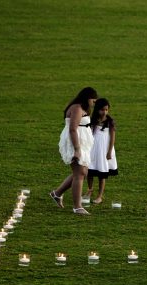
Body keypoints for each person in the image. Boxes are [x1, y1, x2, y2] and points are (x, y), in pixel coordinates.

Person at [49, 87, 98, 215]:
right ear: (87, 98)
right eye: (93, 100)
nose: (94, 102)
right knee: (79, 173)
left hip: (83, 143)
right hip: (74, 143)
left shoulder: (83, 108)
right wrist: (77, 149)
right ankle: (77, 207)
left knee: (82, 172)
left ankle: (57, 194)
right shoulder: (76, 108)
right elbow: (72, 129)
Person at [84, 98, 118, 204]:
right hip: (93, 149)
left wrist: (109, 152)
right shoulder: (92, 120)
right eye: (102, 110)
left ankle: (100, 195)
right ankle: (89, 190)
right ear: (97, 109)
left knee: (101, 172)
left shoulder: (110, 122)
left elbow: (112, 138)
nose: (104, 112)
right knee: (90, 170)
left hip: (103, 150)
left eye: (106, 110)